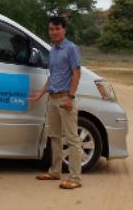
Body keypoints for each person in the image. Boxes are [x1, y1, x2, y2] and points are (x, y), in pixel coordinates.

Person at [29, 16, 83, 189]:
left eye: (57, 28)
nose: (54, 32)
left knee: (72, 139)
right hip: (52, 98)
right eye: (51, 29)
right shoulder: (53, 50)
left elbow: (76, 74)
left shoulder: (71, 49)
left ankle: (75, 178)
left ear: (64, 30)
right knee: (54, 137)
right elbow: (52, 76)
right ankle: (55, 171)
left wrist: (71, 97)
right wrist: (42, 93)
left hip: (66, 98)